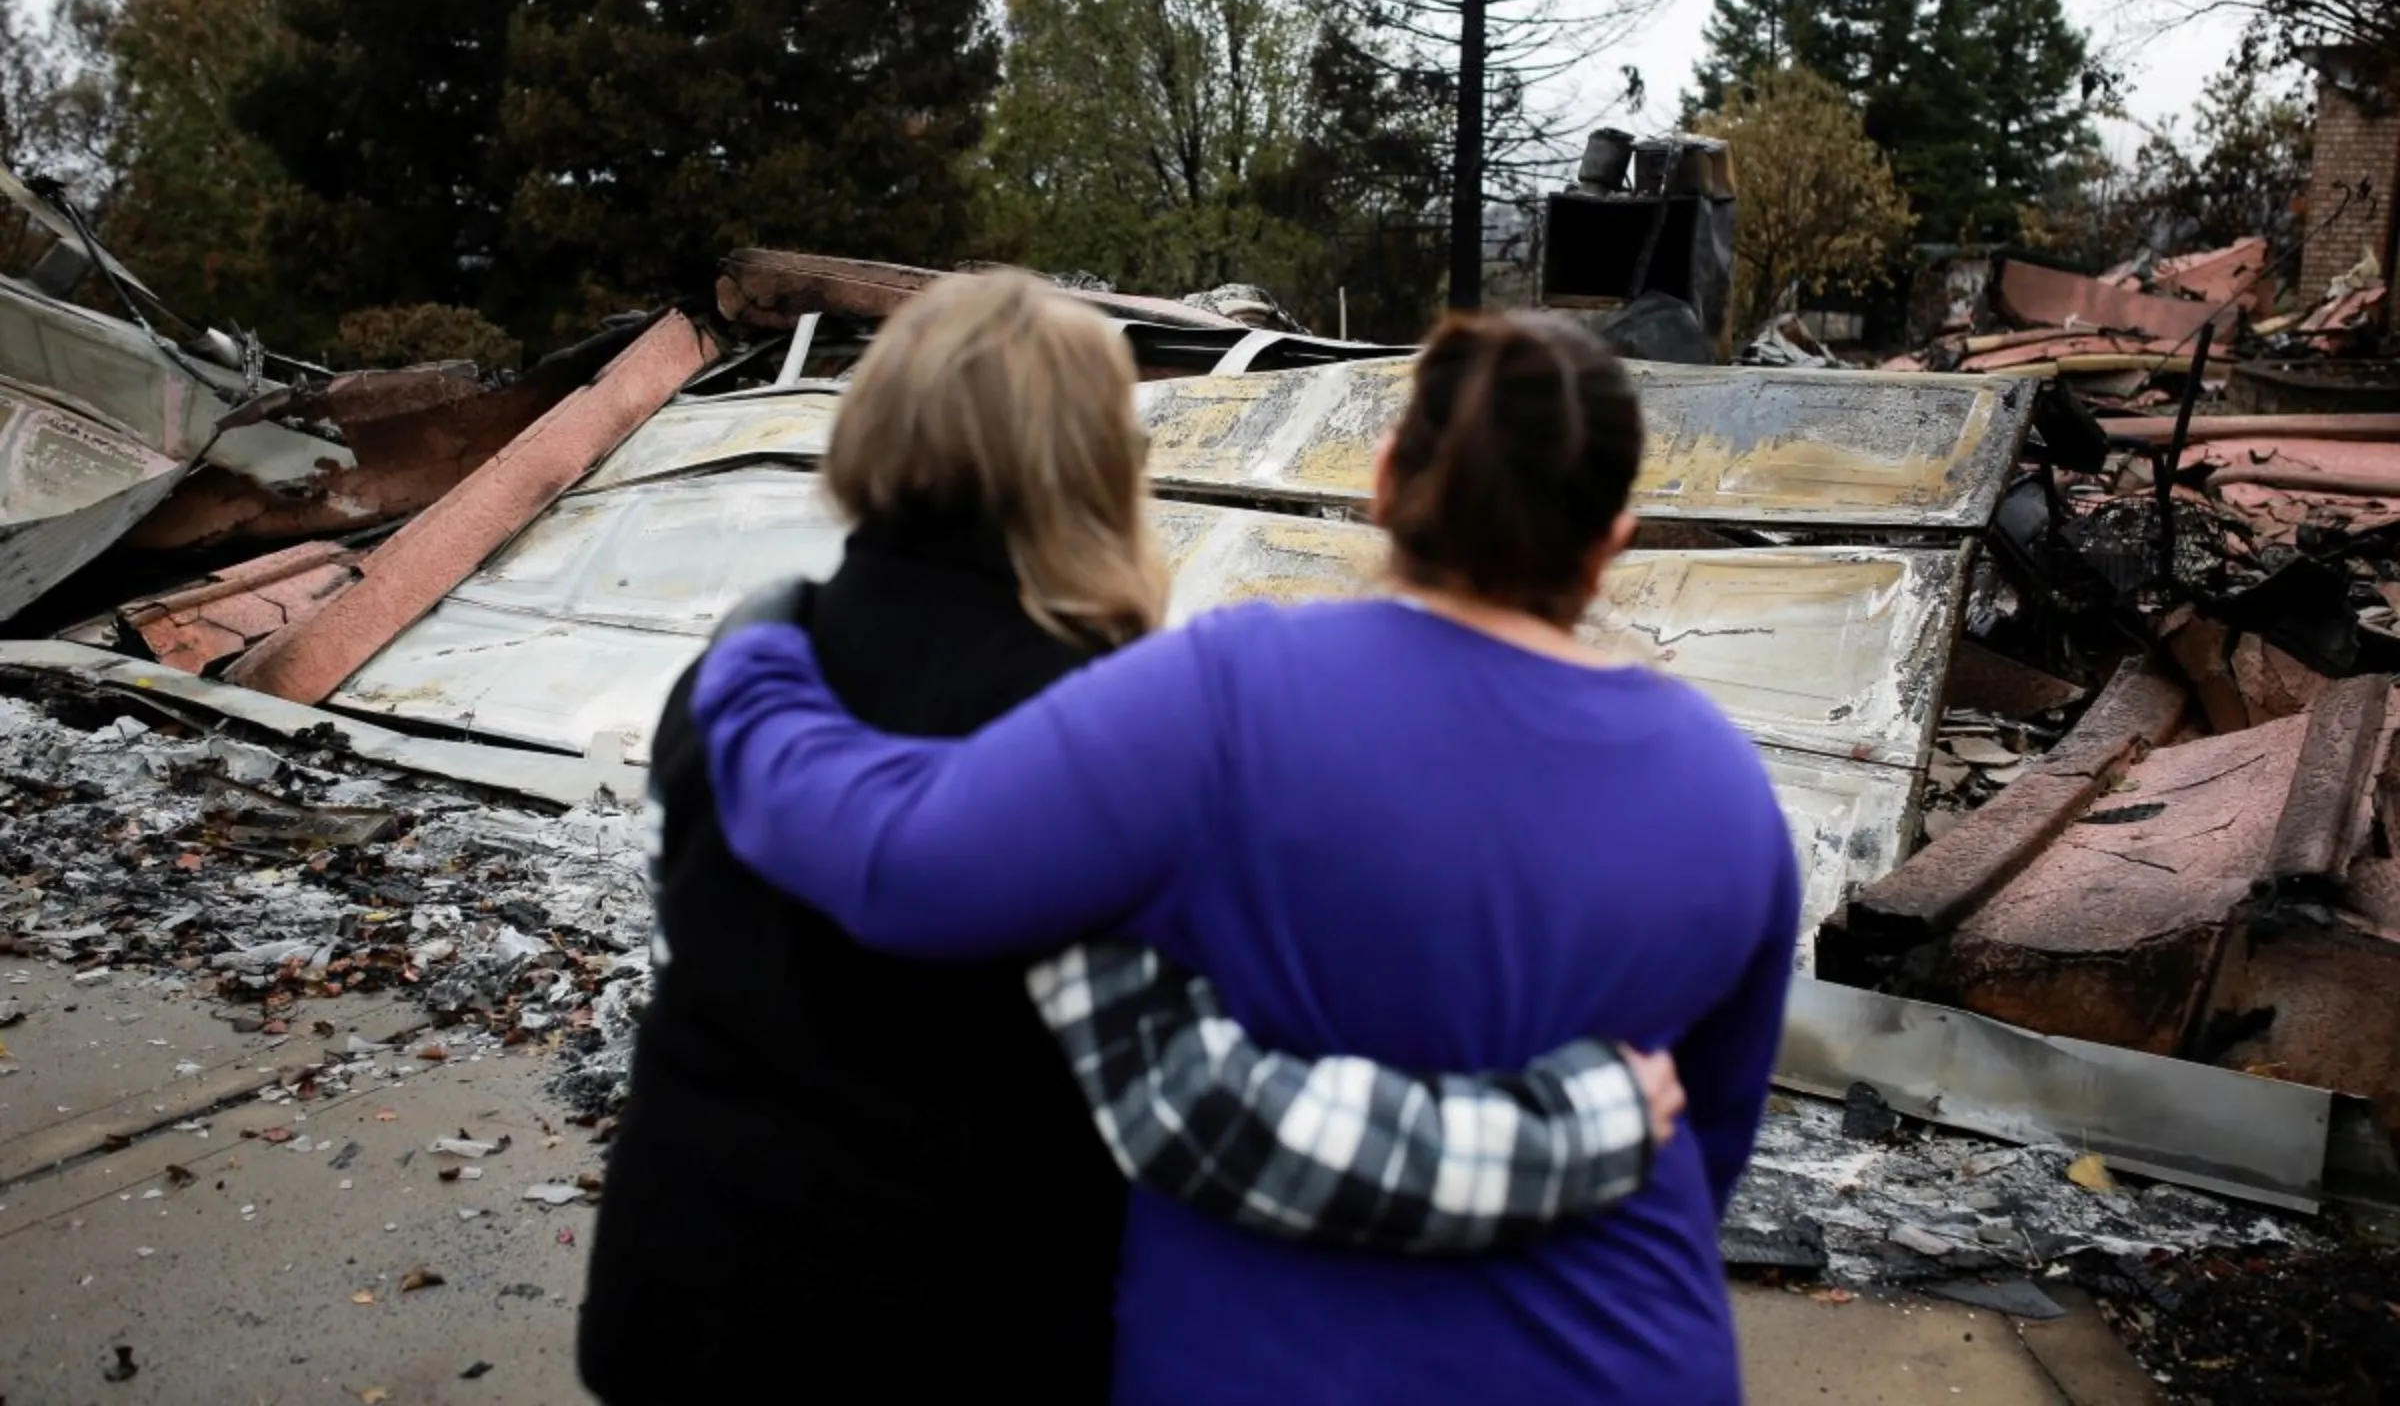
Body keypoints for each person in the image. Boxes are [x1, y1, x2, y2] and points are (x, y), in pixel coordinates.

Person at [577, 276, 1690, 1405]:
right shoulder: (1097, 731)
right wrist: (1570, 1128)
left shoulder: (754, 665)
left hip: (674, 1298)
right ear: (1099, 461)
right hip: (933, 1335)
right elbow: (1206, 1114)